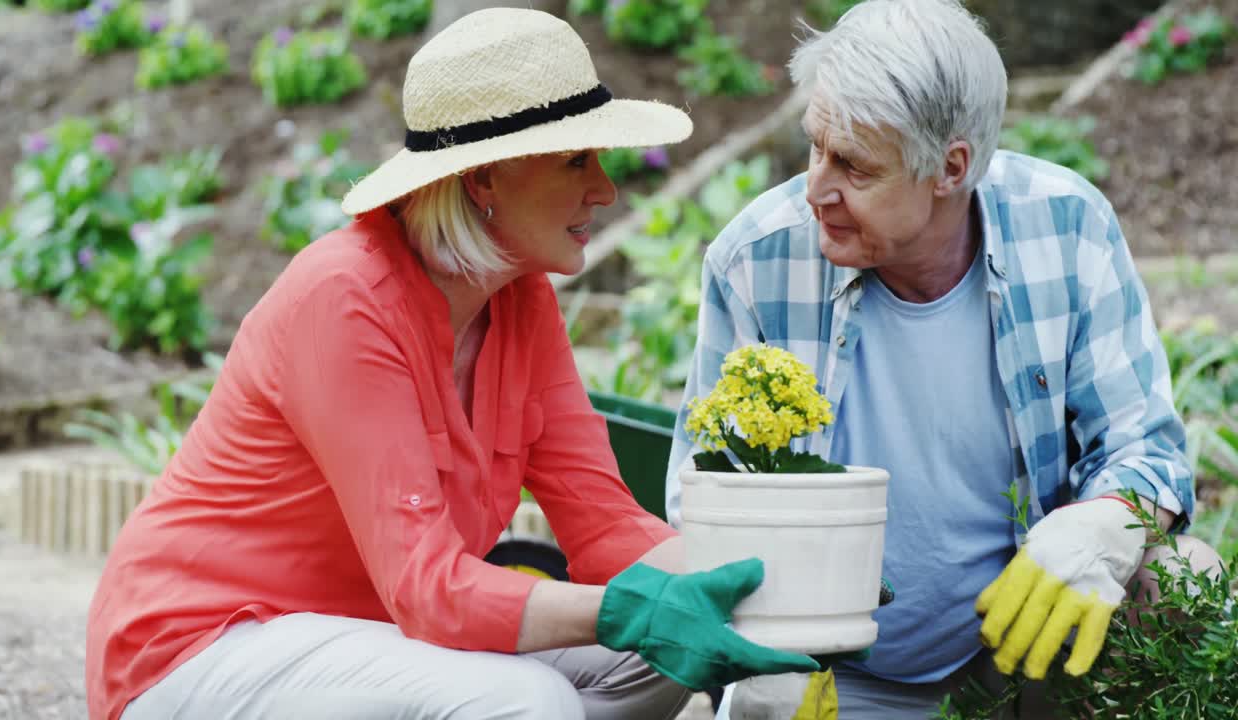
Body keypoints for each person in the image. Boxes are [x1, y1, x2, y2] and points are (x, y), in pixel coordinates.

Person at [85, 8, 828, 720]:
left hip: (371, 644)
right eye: (575, 160)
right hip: (204, 650)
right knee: (525, 700)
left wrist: (783, 591)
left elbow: (605, 528)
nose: (604, 189)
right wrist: (624, 609)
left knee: (657, 656)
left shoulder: (521, 299)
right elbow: (429, 590)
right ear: (483, 179)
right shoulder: (344, 298)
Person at [662, 1, 1226, 718]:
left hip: (1029, 653)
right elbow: (702, 497)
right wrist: (771, 645)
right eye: (815, 147)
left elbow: (1146, 448)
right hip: (828, 674)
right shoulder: (757, 260)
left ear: (950, 168)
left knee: (1185, 579)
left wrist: (1103, 524)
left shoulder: (1066, 229)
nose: (816, 189)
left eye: (853, 166)